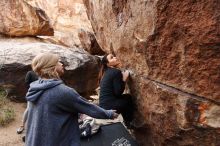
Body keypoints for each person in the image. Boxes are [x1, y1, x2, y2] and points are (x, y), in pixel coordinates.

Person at [25, 53, 118, 146]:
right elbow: (87, 107)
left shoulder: (34, 88)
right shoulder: (62, 91)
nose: (61, 64)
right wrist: (109, 114)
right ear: (51, 67)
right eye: (57, 62)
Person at [98, 54, 134, 128]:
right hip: (110, 108)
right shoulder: (115, 72)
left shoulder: (105, 73)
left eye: (114, 56)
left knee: (125, 98)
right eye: (112, 58)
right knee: (128, 98)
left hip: (103, 107)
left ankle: (127, 122)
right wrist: (124, 79)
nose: (115, 58)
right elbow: (118, 92)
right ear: (107, 63)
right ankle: (130, 122)